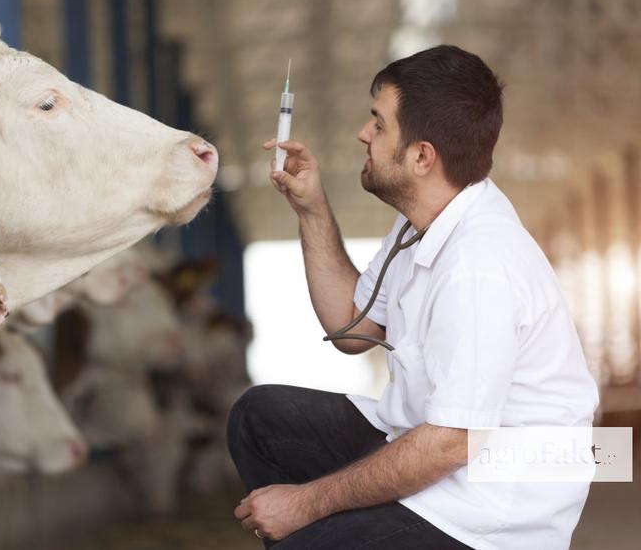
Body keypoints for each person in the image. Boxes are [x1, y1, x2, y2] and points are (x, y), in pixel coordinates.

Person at [228, 45, 599, 549]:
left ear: (422, 156)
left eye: (379, 125)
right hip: (431, 442)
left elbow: (452, 443)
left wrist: (304, 503)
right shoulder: (420, 222)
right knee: (261, 417)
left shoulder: (479, 264)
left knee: (310, 539)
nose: (363, 134)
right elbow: (352, 328)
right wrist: (312, 209)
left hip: (490, 502)